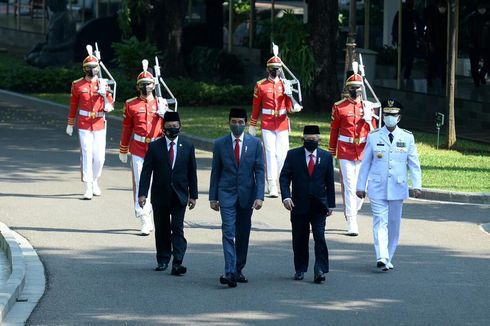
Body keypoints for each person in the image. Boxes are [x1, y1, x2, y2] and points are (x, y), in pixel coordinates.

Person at [356, 99, 422, 271]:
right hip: (377, 187)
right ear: (382, 116)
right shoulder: (374, 136)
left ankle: (388, 256)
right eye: (387, 115)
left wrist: (417, 185)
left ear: (399, 117)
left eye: (393, 115)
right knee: (379, 221)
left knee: (394, 225)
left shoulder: (407, 137)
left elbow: (413, 163)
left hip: (398, 187)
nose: (389, 118)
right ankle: (381, 256)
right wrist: (360, 186)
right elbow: (365, 163)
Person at [210, 108, 265, 288]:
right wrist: (213, 197)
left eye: (241, 122)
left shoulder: (255, 144)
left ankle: (238, 268)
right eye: (234, 122)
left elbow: (259, 170)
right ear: (229, 123)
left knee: (243, 234)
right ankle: (229, 271)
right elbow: (216, 171)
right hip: (226, 194)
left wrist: (259, 196)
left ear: (246, 123)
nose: (237, 125)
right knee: (228, 231)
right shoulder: (220, 143)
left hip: (247, 196)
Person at [138, 111, 198, 275]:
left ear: (180, 127)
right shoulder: (155, 146)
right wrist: (142, 193)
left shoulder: (187, 146)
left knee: (177, 228)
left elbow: (192, 172)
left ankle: (177, 262)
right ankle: (163, 259)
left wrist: (193, 195)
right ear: (163, 128)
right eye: (169, 127)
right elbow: (146, 171)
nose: (172, 129)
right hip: (160, 195)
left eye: (175, 126)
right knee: (162, 228)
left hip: (180, 195)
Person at [279, 125, 335, 284]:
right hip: (298, 204)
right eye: (309, 140)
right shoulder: (293, 155)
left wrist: (330, 204)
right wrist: (286, 197)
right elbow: (284, 178)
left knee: (319, 236)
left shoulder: (325, 156)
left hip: (319, 205)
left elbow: (329, 182)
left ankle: (320, 269)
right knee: (299, 237)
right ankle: (300, 268)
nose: (311, 142)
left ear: (319, 140)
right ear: (303, 139)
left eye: (315, 140)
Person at [119, 63, 165, 236]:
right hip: (138, 149)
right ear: (138, 87)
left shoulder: (162, 103)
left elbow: (173, 128)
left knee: (158, 184)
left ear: (154, 85)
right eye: (142, 84)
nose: (146, 87)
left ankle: (154, 214)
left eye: (149, 84)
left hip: (157, 149)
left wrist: (165, 115)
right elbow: (126, 128)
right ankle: (144, 217)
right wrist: (123, 148)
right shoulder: (131, 104)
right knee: (141, 184)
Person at [328, 73, 377, 236]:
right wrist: (331, 150)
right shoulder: (339, 106)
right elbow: (334, 129)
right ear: (347, 89)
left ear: (362, 89)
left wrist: (370, 120)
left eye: (358, 87)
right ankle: (352, 220)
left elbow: (375, 132)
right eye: (352, 88)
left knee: (362, 187)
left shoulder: (368, 107)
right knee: (349, 186)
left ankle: (354, 210)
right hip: (345, 150)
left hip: (363, 151)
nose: (355, 90)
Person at [249, 54, 302, 198]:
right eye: (273, 68)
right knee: (270, 153)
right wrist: (253, 124)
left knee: (283, 154)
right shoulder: (261, 85)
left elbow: (289, 104)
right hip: (267, 122)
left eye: (278, 68)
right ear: (268, 69)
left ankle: (278, 179)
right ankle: (272, 183)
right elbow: (256, 106)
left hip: (282, 122)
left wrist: (293, 107)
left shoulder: (285, 84)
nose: (276, 71)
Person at [66, 49, 114, 200]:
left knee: (99, 157)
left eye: (95, 67)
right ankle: (87, 185)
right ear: (85, 69)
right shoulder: (78, 85)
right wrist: (70, 123)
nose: (93, 70)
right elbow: (73, 105)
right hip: (84, 123)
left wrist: (109, 105)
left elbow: (110, 100)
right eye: (90, 67)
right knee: (87, 154)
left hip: (99, 122)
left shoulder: (103, 83)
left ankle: (95, 180)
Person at [392, 0, 422, 80]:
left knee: (409, 59)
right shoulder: (402, 13)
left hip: (410, 39)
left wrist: (419, 37)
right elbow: (395, 26)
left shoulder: (414, 14)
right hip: (403, 39)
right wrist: (395, 37)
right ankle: (398, 74)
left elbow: (419, 26)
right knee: (402, 58)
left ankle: (406, 75)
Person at [424, 0, 448, 87]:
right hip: (434, 44)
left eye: (443, 6)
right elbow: (429, 32)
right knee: (431, 63)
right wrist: (430, 43)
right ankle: (430, 79)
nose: (442, 8)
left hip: (444, 45)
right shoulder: (433, 17)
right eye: (441, 6)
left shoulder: (447, 18)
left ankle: (443, 81)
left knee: (443, 64)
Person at [466, 1, 490, 87]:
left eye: (483, 8)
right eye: (480, 8)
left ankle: (481, 76)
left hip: (486, 45)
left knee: (488, 62)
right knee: (474, 64)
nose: (482, 9)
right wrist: (470, 42)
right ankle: (476, 79)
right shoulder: (472, 18)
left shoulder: (488, 18)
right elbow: (468, 31)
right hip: (474, 45)